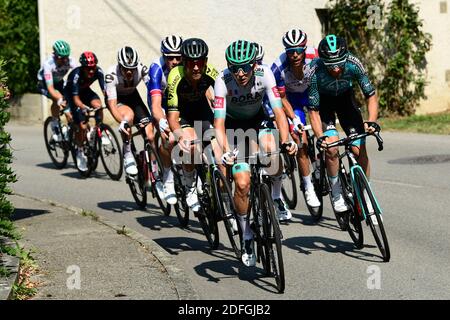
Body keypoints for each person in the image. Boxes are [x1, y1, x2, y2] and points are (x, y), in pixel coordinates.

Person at [214, 40, 297, 267]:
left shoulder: (265, 74)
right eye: (234, 68)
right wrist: (227, 152)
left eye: (245, 67)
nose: (240, 73)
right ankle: (246, 236)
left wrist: (287, 139)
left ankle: (277, 198)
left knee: (273, 150)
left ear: (254, 64)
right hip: (232, 128)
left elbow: (278, 112)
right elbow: (218, 123)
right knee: (241, 183)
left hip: (257, 120)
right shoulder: (222, 80)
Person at [307, 34, 379, 218]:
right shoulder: (314, 71)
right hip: (324, 106)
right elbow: (313, 111)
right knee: (331, 148)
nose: (337, 69)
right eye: (331, 66)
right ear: (323, 62)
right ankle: (336, 190)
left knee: (358, 148)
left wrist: (371, 121)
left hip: (346, 102)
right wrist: (319, 136)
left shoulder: (354, 63)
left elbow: (370, 95)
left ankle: (365, 193)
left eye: (340, 64)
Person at [270, 28, 321, 213]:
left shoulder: (315, 57)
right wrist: (293, 119)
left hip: (311, 94)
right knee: (301, 141)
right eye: (290, 51)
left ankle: (322, 162)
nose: (295, 55)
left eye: (298, 50)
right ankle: (308, 186)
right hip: (292, 101)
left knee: (324, 128)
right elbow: (281, 99)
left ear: (304, 49)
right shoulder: (278, 67)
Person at [166, 38, 219, 213]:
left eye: (200, 62)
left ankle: (220, 195)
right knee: (192, 146)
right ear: (184, 61)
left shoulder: (211, 72)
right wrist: (180, 135)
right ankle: (189, 186)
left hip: (202, 111)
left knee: (219, 150)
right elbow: (172, 116)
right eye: (191, 63)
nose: (196, 67)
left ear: (205, 61)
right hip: (183, 114)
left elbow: (224, 101)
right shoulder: (175, 75)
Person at [146, 35, 184, 205]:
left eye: (178, 57)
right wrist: (161, 121)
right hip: (160, 102)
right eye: (170, 57)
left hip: (177, 101)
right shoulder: (156, 68)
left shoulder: (185, 65)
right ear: (164, 56)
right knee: (168, 137)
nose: (175, 61)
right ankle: (167, 178)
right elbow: (155, 105)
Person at [105, 46, 153, 178]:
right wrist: (122, 122)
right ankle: (127, 153)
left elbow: (153, 91)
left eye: (132, 69)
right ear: (119, 65)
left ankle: (154, 171)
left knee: (150, 136)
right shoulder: (111, 75)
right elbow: (113, 105)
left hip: (133, 96)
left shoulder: (141, 69)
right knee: (128, 117)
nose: (129, 72)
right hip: (116, 99)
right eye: (125, 68)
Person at [64, 51, 106, 172]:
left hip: (85, 91)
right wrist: (84, 107)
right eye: (88, 69)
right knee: (82, 126)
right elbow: (76, 99)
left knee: (99, 105)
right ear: (83, 68)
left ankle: (98, 131)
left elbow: (105, 91)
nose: (91, 71)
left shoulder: (98, 71)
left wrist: (111, 102)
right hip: (72, 95)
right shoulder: (76, 75)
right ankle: (80, 150)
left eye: (93, 68)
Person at [37, 40, 76, 141]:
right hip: (45, 84)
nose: (64, 60)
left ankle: (70, 130)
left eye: (66, 57)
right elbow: (50, 88)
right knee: (57, 98)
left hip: (58, 82)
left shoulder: (70, 61)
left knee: (70, 106)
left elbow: (78, 75)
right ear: (55, 55)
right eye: (62, 58)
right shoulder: (48, 64)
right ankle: (55, 125)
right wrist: (60, 100)